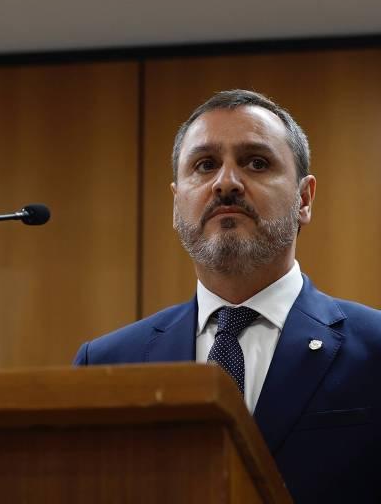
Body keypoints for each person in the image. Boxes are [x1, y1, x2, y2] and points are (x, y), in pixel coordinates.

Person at [74, 90, 381, 503]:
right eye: (205, 165)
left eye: (256, 162)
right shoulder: (107, 364)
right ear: (176, 203)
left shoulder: (375, 348)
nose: (226, 183)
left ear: (304, 199)